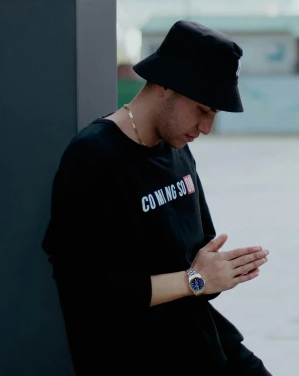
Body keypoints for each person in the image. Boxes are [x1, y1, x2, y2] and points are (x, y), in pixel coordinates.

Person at [42, 20, 272, 375]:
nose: (207, 128)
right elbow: (86, 291)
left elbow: (198, 255)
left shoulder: (177, 149)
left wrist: (218, 273)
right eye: (203, 110)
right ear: (166, 84)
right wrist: (195, 281)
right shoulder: (93, 157)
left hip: (206, 345)